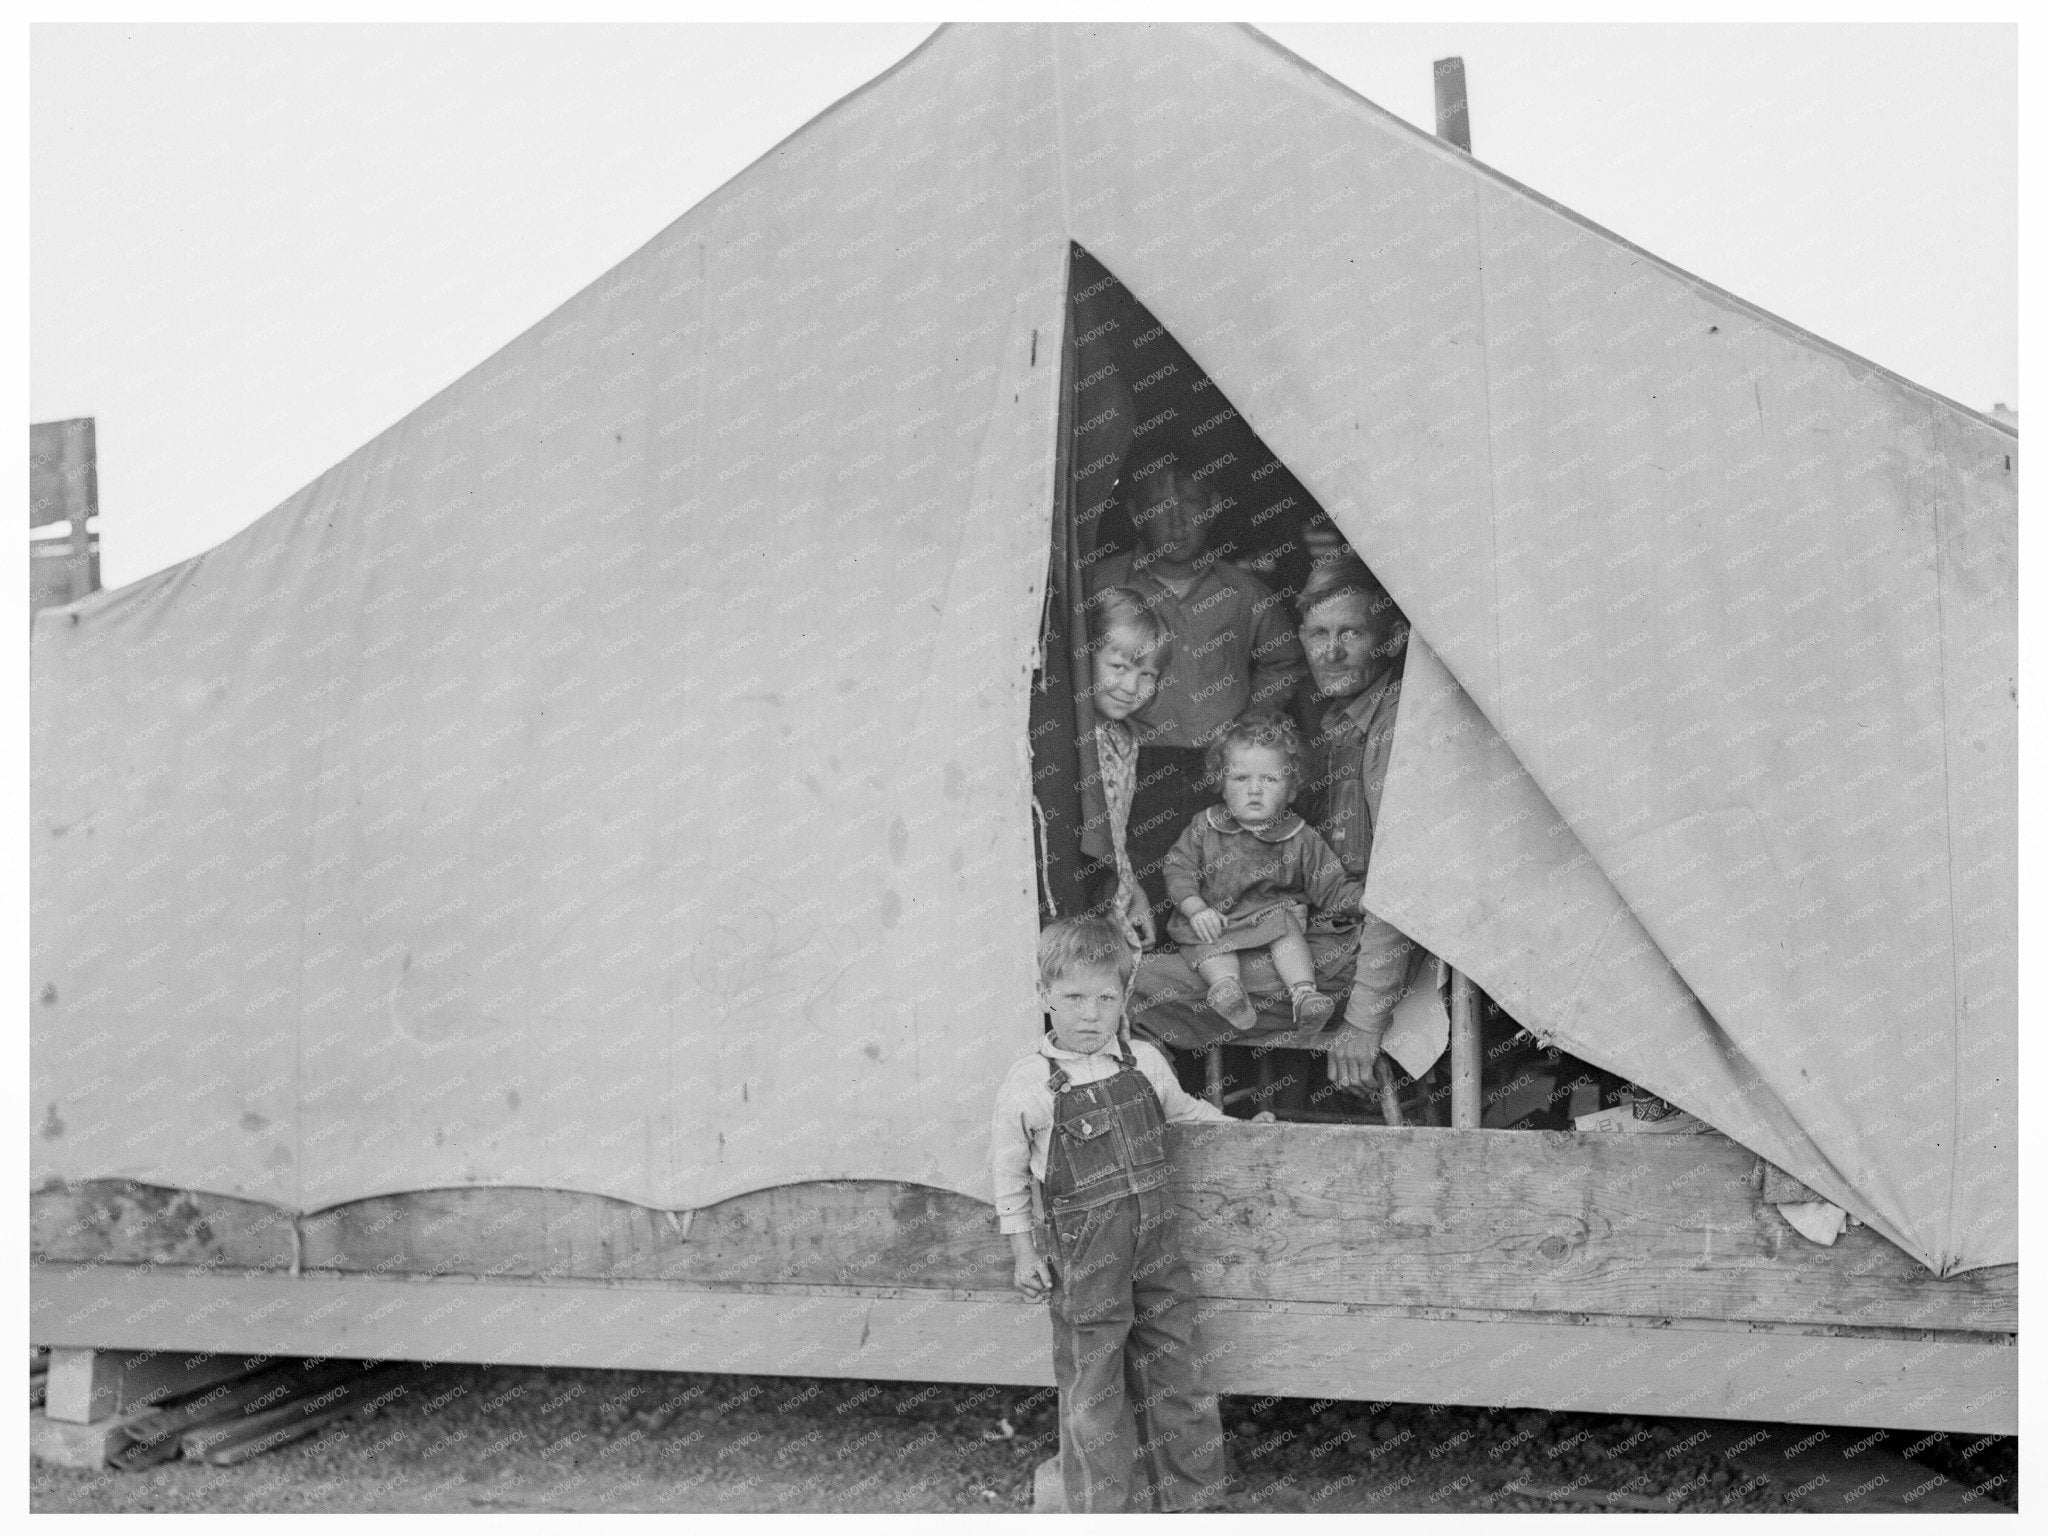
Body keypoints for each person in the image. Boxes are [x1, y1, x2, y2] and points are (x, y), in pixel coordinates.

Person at [989, 915, 1268, 1513]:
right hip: (1087, 1264)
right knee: (1094, 1389)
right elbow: (1009, 1177)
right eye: (1072, 999)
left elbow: (1188, 1113)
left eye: (1105, 998)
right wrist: (1022, 1251)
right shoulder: (1030, 1085)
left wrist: (1247, 1134)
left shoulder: (1143, 1062)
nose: (1090, 1014)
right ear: (1044, 997)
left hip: (1157, 1252)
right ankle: (1103, 1511)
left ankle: (1196, 1504)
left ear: (1124, 999)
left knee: (1180, 1374)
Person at [1086, 449, 1306, 928]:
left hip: (1217, 771)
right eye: (1159, 506)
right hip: (1135, 770)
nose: (1177, 521)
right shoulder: (1105, 583)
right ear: (1133, 512)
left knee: (1217, 896)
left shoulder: (1244, 591)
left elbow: (1284, 661)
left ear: (1214, 505)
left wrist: (1244, 729)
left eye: (1190, 504)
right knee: (1139, 892)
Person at [1293, 559, 1420, 1093]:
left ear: (1391, 640)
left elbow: (1404, 885)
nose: (1331, 651)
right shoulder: (1341, 722)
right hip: (1336, 931)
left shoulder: (1396, 728)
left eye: (1350, 632)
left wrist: (1365, 1018)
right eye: (1318, 633)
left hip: (1368, 954)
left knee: (1142, 986)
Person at [1160, 713, 1362, 1032]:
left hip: (1269, 920)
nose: (1254, 789)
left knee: (1285, 927)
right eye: (1240, 779)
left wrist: (1365, 902)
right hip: (1216, 920)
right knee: (1210, 944)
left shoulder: (1300, 837)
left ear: (1292, 789)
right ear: (1222, 786)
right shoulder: (1205, 826)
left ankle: (1304, 995)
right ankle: (1227, 990)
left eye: (1269, 779)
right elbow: (1178, 868)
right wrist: (1195, 908)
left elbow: (1331, 885)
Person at [1077, 586, 1171, 951]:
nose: (1131, 687)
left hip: (1111, 894)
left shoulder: (1125, 739)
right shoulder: (1076, 737)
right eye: (1119, 667)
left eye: (1148, 675)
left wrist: (1134, 893)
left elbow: (1115, 832)